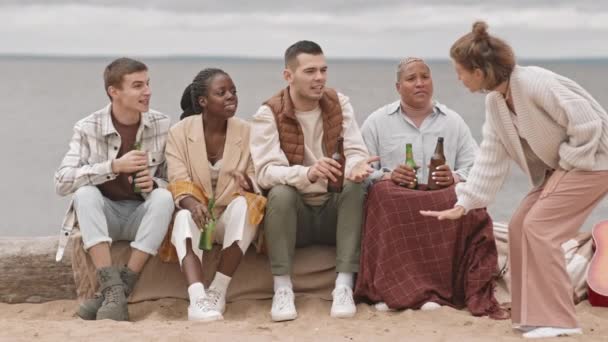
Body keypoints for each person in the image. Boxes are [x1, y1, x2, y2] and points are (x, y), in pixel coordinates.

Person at [421, 21, 608, 339]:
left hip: (595, 162)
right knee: (522, 224)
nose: (458, 78)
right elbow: (490, 159)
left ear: (478, 71)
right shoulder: (496, 102)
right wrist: (464, 203)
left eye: (460, 71)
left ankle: (561, 320)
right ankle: (532, 315)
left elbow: (588, 122)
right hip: (568, 167)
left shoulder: (534, 82)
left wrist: (568, 163)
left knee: (540, 229)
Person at [355, 57, 505, 319]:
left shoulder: (453, 121)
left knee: (462, 198)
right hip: (398, 201)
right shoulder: (377, 122)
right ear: (398, 86)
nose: (420, 83)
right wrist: (388, 176)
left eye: (425, 77)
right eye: (411, 79)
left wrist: (455, 176)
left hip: (438, 198)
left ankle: (435, 292)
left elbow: (478, 166)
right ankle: (389, 291)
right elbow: (360, 169)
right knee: (382, 193)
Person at [250, 40, 377, 322]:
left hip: (335, 212)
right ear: (288, 75)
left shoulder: (339, 103)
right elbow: (265, 172)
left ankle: (343, 285)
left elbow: (356, 151)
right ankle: (282, 289)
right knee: (280, 193)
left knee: (356, 186)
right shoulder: (268, 113)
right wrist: (307, 173)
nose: (319, 78)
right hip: (297, 217)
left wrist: (356, 168)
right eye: (310, 71)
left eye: (323, 70)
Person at [54, 57, 174, 321]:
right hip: (103, 219)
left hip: (141, 217)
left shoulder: (162, 124)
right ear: (114, 92)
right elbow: (62, 181)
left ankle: (118, 289)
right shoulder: (88, 128)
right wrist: (113, 166)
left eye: (148, 84)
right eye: (138, 85)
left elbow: (175, 180)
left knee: (164, 198)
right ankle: (113, 288)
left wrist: (154, 184)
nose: (147, 91)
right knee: (84, 193)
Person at [165, 68, 263, 321]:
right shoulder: (179, 132)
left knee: (247, 205)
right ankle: (197, 299)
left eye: (233, 91)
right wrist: (192, 202)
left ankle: (217, 290)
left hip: (229, 216)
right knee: (182, 217)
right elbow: (177, 179)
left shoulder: (247, 131)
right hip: (198, 217)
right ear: (203, 101)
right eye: (222, 93)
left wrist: (249, 183)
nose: (231, 96)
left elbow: (256, 176)